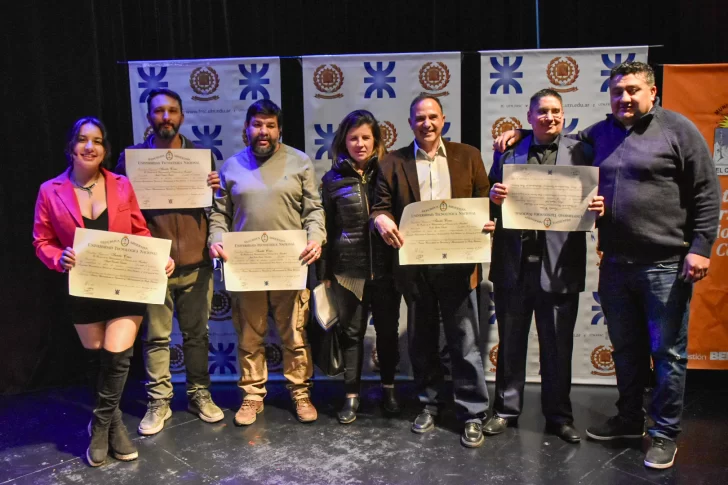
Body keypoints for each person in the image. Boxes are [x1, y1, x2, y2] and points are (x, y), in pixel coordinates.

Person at [494, 62, 720, 469]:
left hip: (665, 264)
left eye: (633, 90)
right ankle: (629, 420)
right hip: (615, 262)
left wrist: (701, 246)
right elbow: (551, 135)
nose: (625, 98)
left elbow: (706, 190)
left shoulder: (678, 130)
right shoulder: (598, 134)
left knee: (667, 353)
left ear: (653, 92)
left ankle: (664, 432)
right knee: (626, 350)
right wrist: (523, 133)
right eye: (618, 92)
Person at [32, 117, 175, 466]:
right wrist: (57, 257)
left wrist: (159, 257)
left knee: (118, 356)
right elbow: (42, 241)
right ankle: (115, 425)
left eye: (97, 141)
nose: (90, 146)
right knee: (97, 359)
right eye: (83, 139)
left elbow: (140, 232)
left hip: (127, 284)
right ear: (71, 146)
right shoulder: (50, 190)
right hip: (84, 287)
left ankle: (99, 427)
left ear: (104, 149)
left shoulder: (121, 185)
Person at [370, 95, 495, 448]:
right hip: (415, 267)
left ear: (443, 120)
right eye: (420, 118)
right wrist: (381, 219)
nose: (427, 123)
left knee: (464, 342)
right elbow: (380, 206)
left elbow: (485, 199)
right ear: (411, 123)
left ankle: (472, 413)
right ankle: (428, 404)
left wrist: (489, 222)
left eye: (433, 117)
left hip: (459, 264)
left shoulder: (468, 156)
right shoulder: (392, 162)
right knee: (422, 341)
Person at [484, 89, 604, 444]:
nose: (549, 117)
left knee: (557, 347)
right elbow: (490, 204)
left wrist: (600, 206)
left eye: (555, 111)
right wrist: (492, 197)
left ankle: (559, 416)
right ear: (529, 116)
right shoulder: (508, 151)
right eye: (542, 112)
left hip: (560, 266)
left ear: (564, 115)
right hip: (514, 264)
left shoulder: (582, 151)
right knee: (510, 344)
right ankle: (506, 410)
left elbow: (598, 198)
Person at [208, 100, 326, 425]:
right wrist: (215, 239)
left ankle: (300, 392)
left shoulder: (300, 162)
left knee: (295, 334)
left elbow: (314, 210)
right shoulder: (231, 167)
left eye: (270, 125)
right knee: (249, 336)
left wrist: (316, 238)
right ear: (246, 129)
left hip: (290, 264)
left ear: (279, 130)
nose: (264, 131)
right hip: (246, 267)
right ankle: (252, 395)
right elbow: (219, 214)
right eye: (257, 124)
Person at [115, 88, 224, 436]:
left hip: (197, 263)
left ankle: (199, 394)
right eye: (159, 111)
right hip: (153, 265)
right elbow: (118, 212)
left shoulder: (201, 158)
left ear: (181, 116)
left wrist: (216, 188)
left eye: (172, 111)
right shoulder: (131, 160)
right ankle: (158, 401)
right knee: (156, 338)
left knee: (197, 336)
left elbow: (217, 208)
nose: (166, 117)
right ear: (149, 116)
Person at [319, 110, 402, 424]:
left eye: (366, 137)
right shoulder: (331, 180)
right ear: (344, 141)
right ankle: (351, 395)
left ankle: (389, 389)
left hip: (386, 269)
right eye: (353, 138)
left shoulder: (390, 172)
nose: (360, 144)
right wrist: (326, 274)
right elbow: (327, 229)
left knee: (387, 332)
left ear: (376, 140)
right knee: (351, 334)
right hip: (347, 271)